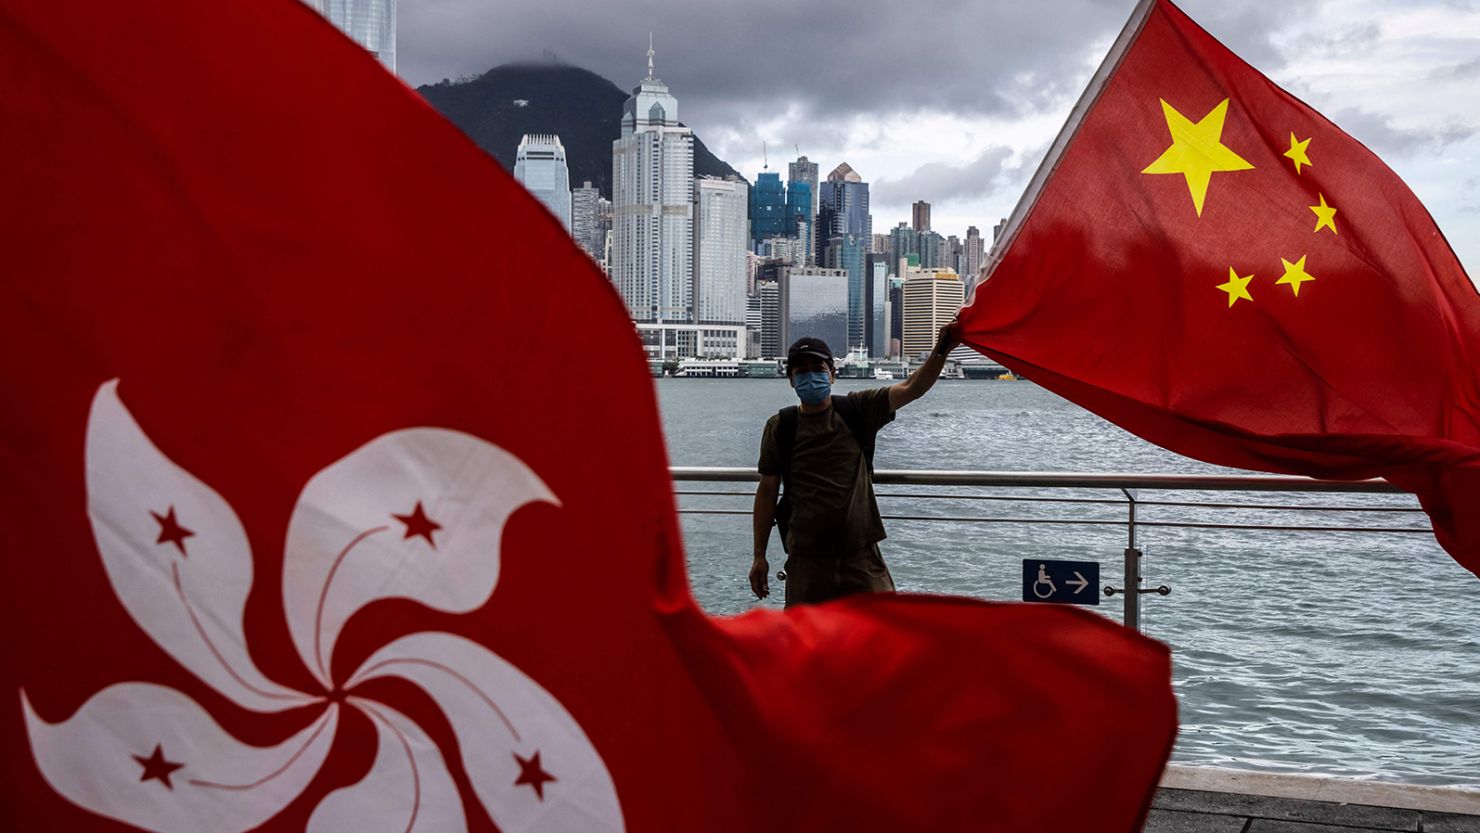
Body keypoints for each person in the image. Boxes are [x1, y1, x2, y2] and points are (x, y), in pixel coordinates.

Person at [751, 323, 962, 607]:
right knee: (808, 644)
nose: (810, 376)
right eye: (801, 371)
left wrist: (942, 349)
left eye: (818, 368)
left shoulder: (858, 410)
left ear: (833, 375)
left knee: (884, 634)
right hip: (806, 560)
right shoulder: (781, 426)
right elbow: (767, 492)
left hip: (861, 555)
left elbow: (913, 387)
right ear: (791, 380)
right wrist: (759, 555)